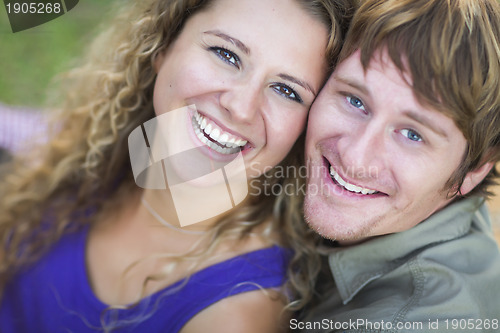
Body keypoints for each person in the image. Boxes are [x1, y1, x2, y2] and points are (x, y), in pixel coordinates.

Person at [0, 0, 354, 332]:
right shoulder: (109, 148)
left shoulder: (234, 312)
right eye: (226, 54)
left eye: (287, 91)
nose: (241, 108)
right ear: (163, 46)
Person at [298, 0, 500, 331]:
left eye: (411, 134)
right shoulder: (427, 194)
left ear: (474, 171)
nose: (355, 157)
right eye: (355, 100)